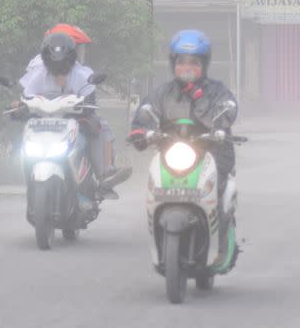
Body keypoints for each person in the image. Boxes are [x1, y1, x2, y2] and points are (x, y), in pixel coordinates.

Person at [127, 30, 238, 254]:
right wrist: (140, 132)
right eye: (182, 62)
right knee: (155, 187)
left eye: (194, 62)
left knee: (218, 190)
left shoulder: (216, 91)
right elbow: (144, 115)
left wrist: (200, 100)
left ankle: (221, 244)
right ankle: (159, 236)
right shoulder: (162, 93)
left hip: (211, 150)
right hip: (171, 151)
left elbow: (228, 110)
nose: (187, 67)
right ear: (173, 64)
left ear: (204, 65)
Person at [17, 32, 131, 198]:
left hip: (74, 122)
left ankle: (105, 174)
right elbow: (25, 97)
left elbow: (90, 99)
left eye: (63, 60)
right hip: (42, 124)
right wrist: (20, 107)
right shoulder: (37, 73)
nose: (59, 66)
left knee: (98, 126)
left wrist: (84, 106)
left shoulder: (81, 74)